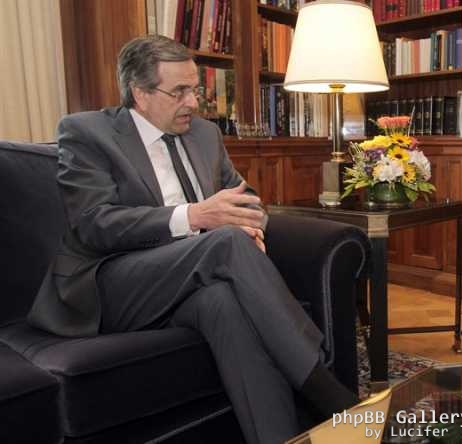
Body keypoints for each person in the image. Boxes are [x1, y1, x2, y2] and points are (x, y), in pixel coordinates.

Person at [27, 35, 356, 444]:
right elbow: (94, 223)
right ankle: (328, 392)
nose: (193, 102)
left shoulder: (205, 135)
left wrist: (251, 225)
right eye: (179, 91)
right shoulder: (88, 132)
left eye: (195, 89)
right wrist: (196, 216)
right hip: (112, 283)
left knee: (222, 303)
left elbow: (247, 199)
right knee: (226, 243)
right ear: (140, 93)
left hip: (196, 279)